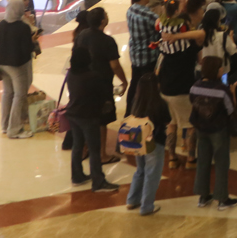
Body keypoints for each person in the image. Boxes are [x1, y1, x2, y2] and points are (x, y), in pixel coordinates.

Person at [65, 47, 120, 192]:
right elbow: (101, 96)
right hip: (88, 116)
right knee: (94, 149)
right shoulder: (92, 76)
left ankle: (77, 176)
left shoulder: (71, 73)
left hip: (73, 113)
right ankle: (98, 182)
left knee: (77, 145)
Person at [189, 56, 237, 210]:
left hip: (200, 128)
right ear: (215, 71)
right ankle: (222, 199)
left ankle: (203, 197)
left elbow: (193, 104)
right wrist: (233, 92)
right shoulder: (222, 90)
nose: (222, 70)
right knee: (221, 162)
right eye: (220, 68)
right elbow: (230, 109)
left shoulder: (194, 87)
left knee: (203, 160)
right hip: (218, 129)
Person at [124, 73, 171, 215]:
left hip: (138, 141)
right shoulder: (160, 103)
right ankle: (146, 206)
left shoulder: (136, 102)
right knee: (152, 173)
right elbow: (167, 120)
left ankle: (132, 200)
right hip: (155, 142)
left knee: (140, 170)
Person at [0, 0, 37, 138]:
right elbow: (26, 49)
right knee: (19, 95)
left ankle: (5, 126)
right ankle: (15, 129)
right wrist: (33, 41)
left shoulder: (0, 24)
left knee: (7, 93)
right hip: (17, 66)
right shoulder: (23, 27)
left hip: (1, 64)